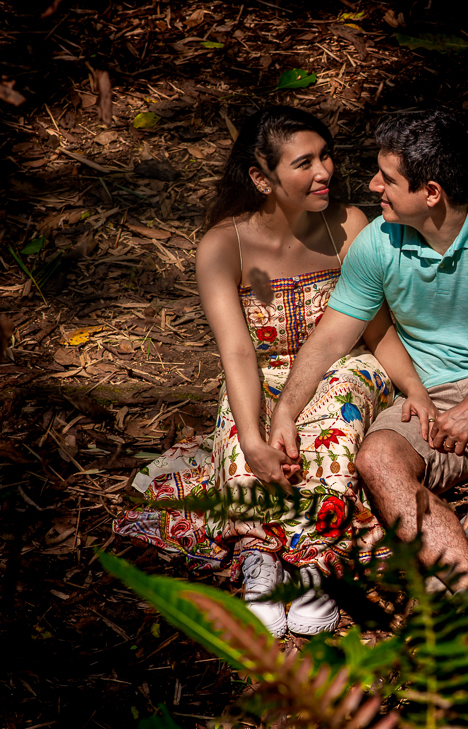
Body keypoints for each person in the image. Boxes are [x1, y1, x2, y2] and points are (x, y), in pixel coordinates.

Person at [114, 106, 437, 637]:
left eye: (326, 155)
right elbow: (237, 353)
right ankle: (260, 560)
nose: (325, 172)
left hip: (346, 364)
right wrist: (253, 437)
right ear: (261, 178)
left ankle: (311, 567)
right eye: (304, 162)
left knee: (333, 425)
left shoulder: (349, 225)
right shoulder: (224, 244)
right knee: (249, 437)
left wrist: (415, 389)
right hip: (262, 371)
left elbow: (376, 326)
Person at [269, 109, 468, 610]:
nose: (373, 185)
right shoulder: (379, 242)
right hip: (429, 402)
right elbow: (330, 338)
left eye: (387, 178)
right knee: (377, 457)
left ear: (431, 192)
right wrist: (284, 410)